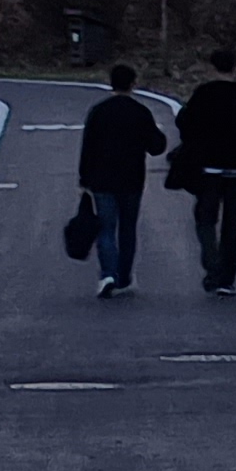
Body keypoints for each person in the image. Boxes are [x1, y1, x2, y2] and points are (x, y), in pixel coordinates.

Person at [171, 45, 236, 295]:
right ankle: (227, 279)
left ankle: (212, 263)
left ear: (211, 67)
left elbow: (184, 123)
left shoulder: (204, 94)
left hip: (209, 168)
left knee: (205, 219)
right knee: (231, 223)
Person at [78, 62, 167, 296]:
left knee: (106, 228)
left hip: (101, 179)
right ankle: (124, 276)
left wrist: (84, 179)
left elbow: (88, 147)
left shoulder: (98, 111)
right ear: (133, 84)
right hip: (131, 179)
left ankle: (108, 273)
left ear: (111, 84)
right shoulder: (140, 112)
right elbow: (157, 146)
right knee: (127, 228)